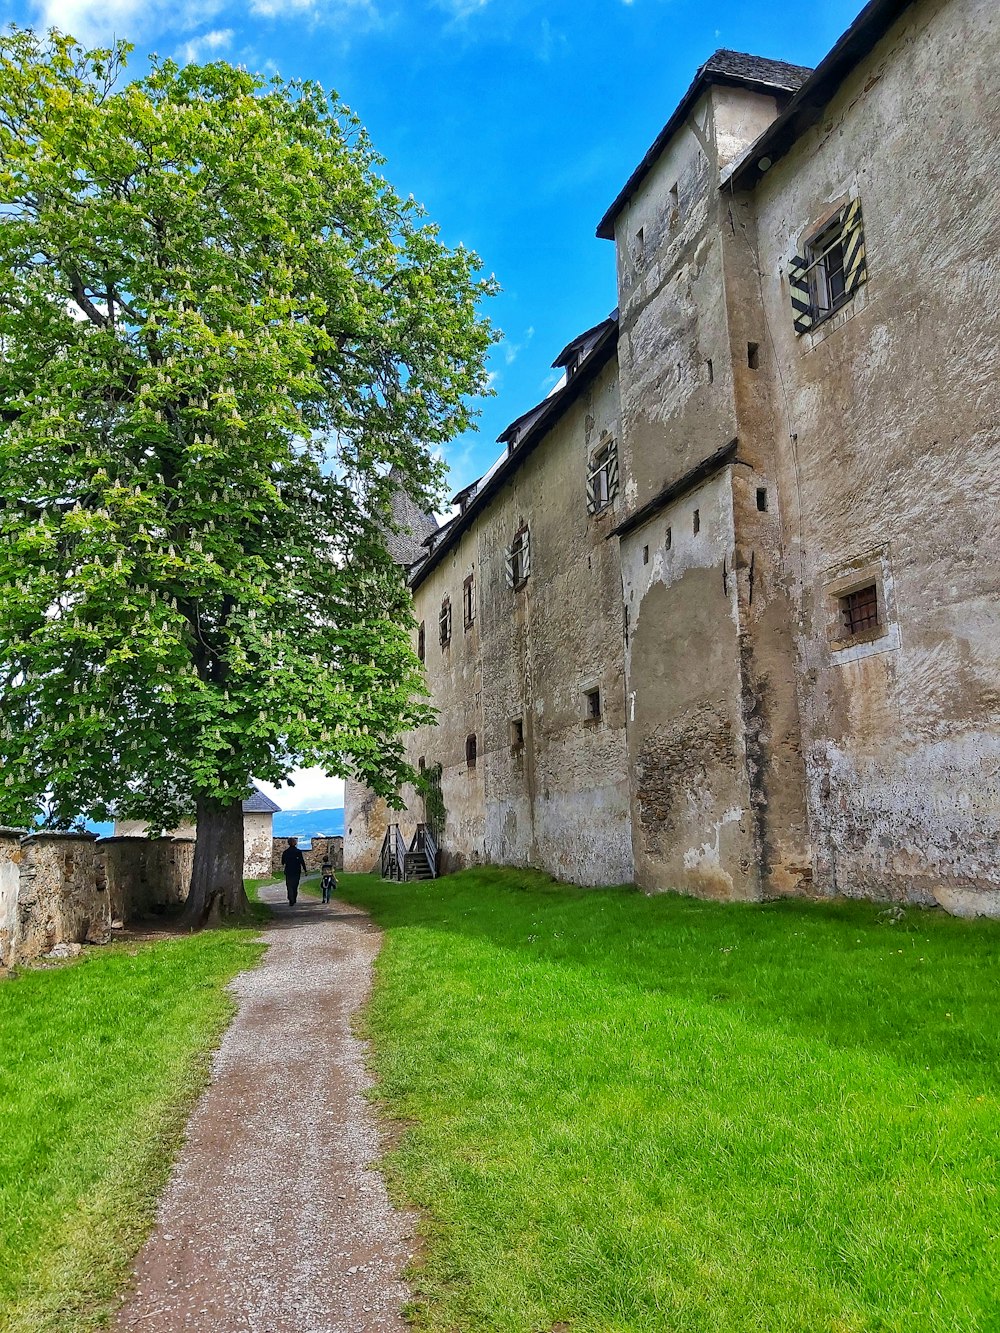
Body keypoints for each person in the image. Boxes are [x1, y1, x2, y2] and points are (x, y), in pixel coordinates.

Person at [280, 837, 307, 905]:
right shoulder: (298, 852)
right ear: (295, 843)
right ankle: (294, 898)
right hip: (296, 870)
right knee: (295, 885)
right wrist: (305, 869)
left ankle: (290, 898)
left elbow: (282, 862)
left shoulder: (285, 852)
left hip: (289, 870)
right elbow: (302, 861)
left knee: (289, 885)